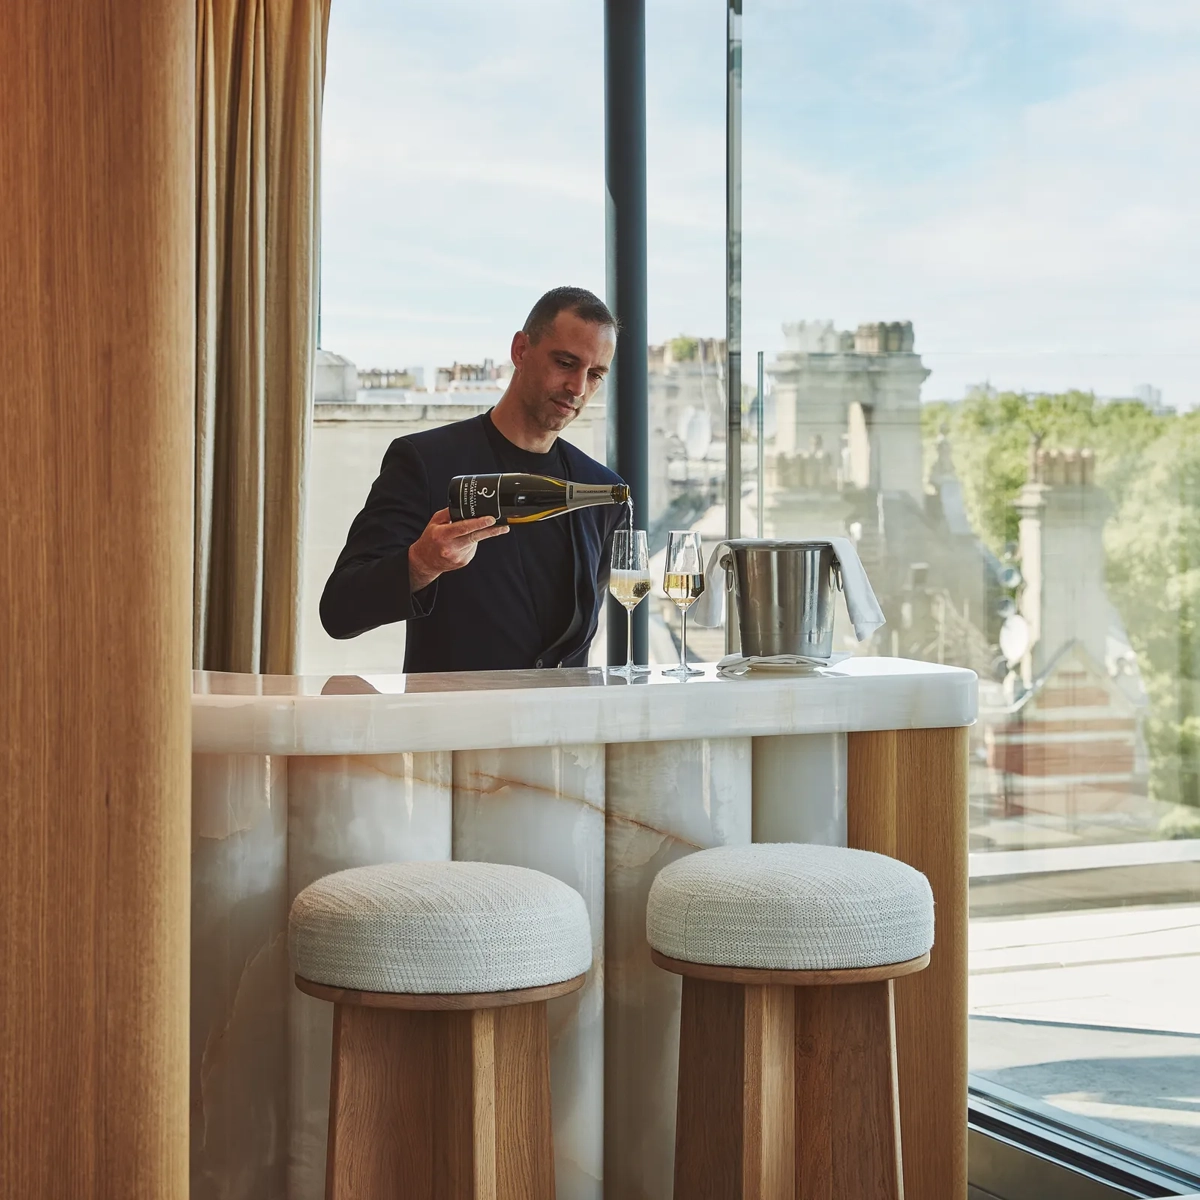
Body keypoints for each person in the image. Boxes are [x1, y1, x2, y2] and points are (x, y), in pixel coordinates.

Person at [320, 286, 627, 673]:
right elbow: (338, 612)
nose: (579, 388)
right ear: (520, 350)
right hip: (453, 729)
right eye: (566, 363)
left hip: (562, 729)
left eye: (595, 374)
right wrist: (420, 564)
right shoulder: (425, 461)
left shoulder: (598, 490)